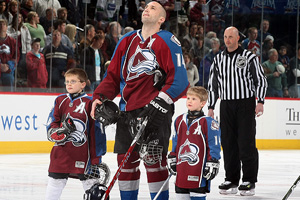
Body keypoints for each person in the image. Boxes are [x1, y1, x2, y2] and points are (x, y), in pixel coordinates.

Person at [90, 1, 189, 199]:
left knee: (154, 161)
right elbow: (112, 77)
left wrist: (161, 101)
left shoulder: (167, 40)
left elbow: (180, 79)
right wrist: (100, 97)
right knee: (125, 163)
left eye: (153, 8)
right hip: (127, 111)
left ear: (162, 19)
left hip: (155, 110)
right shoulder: (127, 40)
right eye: (146, 7)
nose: (147, 9)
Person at [207, 26, 267, 196]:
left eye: (231, 37)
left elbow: (260, 80)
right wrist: (211, 106)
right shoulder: (218, 59)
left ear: (238, 38)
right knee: (228, 143)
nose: (227, 40)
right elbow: (213, 85)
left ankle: (249, 180)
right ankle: (231, 179)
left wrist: (260, 101)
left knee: (246, 142)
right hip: (225, 105)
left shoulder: (249, 57)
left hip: (245, 104)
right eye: (225, 37)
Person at [45, 68, 106, 200]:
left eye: (73, 81)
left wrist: (97, 156)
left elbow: (97, 131)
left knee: (94, 191)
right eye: (67, 81)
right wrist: (58, 132)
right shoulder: (60, 100)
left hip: (85, 155)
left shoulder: (90, 103)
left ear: (83, 84)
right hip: (61, 152)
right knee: (55, 184)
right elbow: (52, 123)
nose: (69, 84)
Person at [168, 86, 221, 200]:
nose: (189, 101)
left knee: (197, 194)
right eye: (188, 98)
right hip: (182, 167)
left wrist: (213, 161)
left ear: (202, 103)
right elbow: (175, 141)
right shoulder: (179, 120)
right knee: (180, 193)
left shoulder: (208, 122)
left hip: (198, 169)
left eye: (193, 99)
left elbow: (214, 144)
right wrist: (172, 155)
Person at [0, 18, 19, 87]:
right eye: (0, 24)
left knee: (9, 78)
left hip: (8, 70)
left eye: (4, 24)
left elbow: (16, 56)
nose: (1, 26)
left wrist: (9, 67)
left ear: (7, 27)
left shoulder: (12, 41)